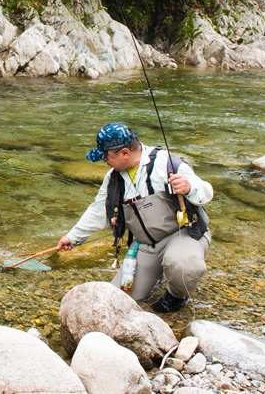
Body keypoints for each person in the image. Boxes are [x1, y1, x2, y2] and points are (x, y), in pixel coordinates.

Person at [57, 122, 213, 313]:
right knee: (117, 301)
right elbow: (99, 210)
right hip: (146, 246)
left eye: (106, 156)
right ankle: (162, 271)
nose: (105, 161)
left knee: (182, 264)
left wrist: (189, 187)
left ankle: (176, 296)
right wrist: (73, 237)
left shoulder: (166, 164)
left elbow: (207, 191)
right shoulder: (113, 177)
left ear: (124, 153)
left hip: (183, 235)